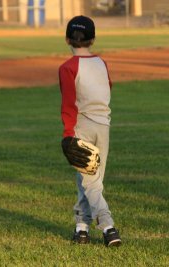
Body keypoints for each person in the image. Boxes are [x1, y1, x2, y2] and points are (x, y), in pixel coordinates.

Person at [59, 15, 122, 246]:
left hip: (82, 126)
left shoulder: (67, 67)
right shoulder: (101, 63)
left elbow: (68, 104)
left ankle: (108, 227)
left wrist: (68, 135)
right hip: (103, 126)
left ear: (67, 39)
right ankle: (82, 228)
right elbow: (108, 89)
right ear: (92, 39)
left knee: (90, 182)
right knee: (89, 180)